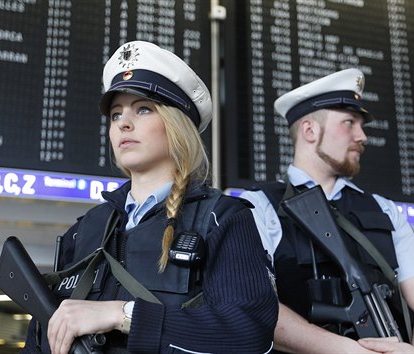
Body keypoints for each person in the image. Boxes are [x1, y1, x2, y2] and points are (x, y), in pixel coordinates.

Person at [22, 41, 279, 354]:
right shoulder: (86, 229)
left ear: (177, 126)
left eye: (143, 109)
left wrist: (122, 315)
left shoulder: (223, 218)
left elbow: (249, 334)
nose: (124, 124)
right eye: (116, 115)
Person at [240, 68, 414, 354]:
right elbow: (252, 302)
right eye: (349, 123)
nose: (362, 136)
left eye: (361, 125)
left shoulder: (383, 208)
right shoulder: (258, 206)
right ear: (309, 130)